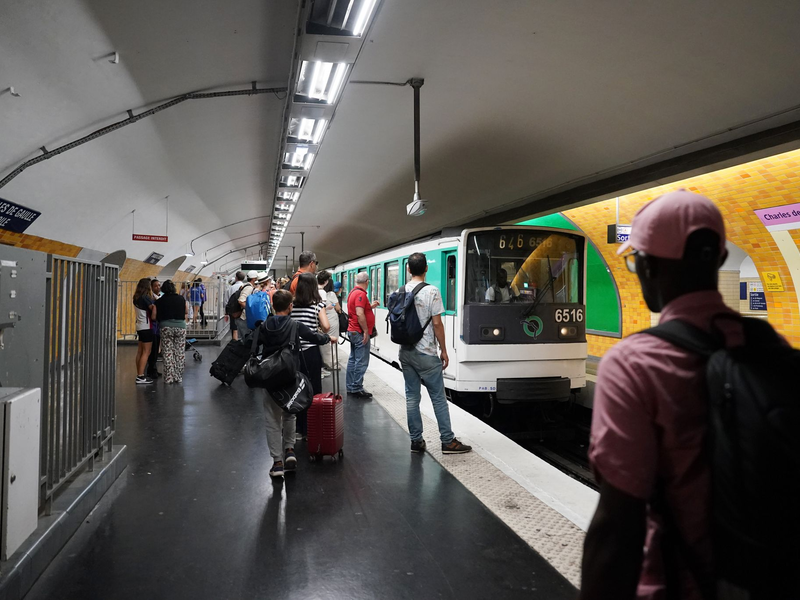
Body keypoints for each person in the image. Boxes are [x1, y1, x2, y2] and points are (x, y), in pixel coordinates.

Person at [580, 190, 744, 600]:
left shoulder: (634, 364)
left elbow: (618, 525)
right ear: (720, 259)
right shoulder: (772, 350)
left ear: (647, 266)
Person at [399, 253, 472, 455]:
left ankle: (416, 441)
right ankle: (447, 441)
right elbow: (437, 324)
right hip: (426, 353)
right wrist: (444, 350)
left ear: (408, 269)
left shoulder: (400, 290)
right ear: (426, 268)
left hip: (405, 352)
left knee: (412, 398)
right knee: (438, 399)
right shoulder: (432, 291)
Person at [256, 290, 334, 478]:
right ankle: (290, 450)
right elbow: (314, 337)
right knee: (290, 414)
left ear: (273, 306)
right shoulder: (294, 325)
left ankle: (277, 463)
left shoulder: (264, 326)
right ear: (290, 306)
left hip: (270, 377)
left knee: (272, 420)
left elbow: (250, 344)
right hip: (290, 376)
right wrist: (328, 338)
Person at [290, 273, 331, 439]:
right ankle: (311, 428)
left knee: (297, 389)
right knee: (313, 389)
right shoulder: (317, 305)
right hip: (311, 353)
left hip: (294, 353)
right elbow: (326, 327)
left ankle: (299, 429)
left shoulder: (292, 305)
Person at [346, 271, 378, 398]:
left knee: (353, 359)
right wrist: (365, 331)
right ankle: (356, 388)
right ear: (367, 282)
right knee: (361, 361)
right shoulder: (361, 294)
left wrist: (370, 307)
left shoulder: (353, 292)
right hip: (359, 332)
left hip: (353, 331)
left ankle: (350, 386)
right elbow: (359, 314)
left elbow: (359, 310)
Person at [155, 280, 188, 384]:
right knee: (179, 352)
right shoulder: (181, 299)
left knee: (167, 352)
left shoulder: (159, 301)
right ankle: (178, 377)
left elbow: (156, 315)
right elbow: (186, 311)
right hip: (180, 327)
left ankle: (169, 377)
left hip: (166, 327)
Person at [132, 278, 156, 384]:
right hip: (146, 326)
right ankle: (140, 376)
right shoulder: (145, 297)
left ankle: (139, 373)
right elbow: (152, 308)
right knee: (146, 352)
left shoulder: (136, 297)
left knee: (140, 351)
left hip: (139, 325)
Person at [317, 271, 341, 371]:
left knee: (323, 342)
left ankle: (325, 362)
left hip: (320, 321)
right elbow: (338, 308)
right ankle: (332, 363)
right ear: (326, 281)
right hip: (331, 320)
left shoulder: (315, 291)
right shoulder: (330, 294)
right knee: (332, 342)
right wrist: (332, 306)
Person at [146, 278, 163, 379]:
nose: (158, 287)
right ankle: (151, 370)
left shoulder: (158, 297)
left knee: (156, 350)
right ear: (151, 287)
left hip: (157, 327)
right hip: (153, 327)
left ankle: (154, 369)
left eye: (159, 285)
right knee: (153, 350)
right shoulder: (151, 299)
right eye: (156, 286)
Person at [236, 270, 258, 340]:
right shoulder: (249, 288)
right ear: (254, 279)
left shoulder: (246, 285)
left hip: (243, 317)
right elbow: (241, 300)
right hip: (243, 317)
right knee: (246, 339)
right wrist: (250, 310)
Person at [225, 271, 245, 340]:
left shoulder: (231, 288)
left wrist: (226, 312)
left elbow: (226, 301)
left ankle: (235, 342)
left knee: (234, 328)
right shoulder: (245, 287)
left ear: (236, 278)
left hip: (233, 311)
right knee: (242, 328)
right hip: (242, 310)